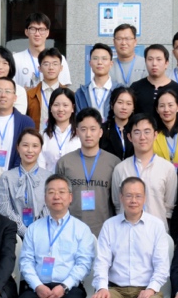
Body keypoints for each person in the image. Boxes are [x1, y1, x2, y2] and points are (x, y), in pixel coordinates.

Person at [53, 108, 117, 236]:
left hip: (104, 232)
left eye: (93, 129)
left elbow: (117, 203)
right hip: (70, 231)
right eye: (83, 129)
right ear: (77, 132)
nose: (88, 134)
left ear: (100, 132)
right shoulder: (64, 163)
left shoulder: (114, 163)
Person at [112, 113, 178, 223]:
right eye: (137, 132)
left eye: (147, 132)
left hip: (157, 230)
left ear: (155, 135)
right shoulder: (120, 168)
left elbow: (169, 208)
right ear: (129, 137)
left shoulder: (167, 168)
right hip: (126, 230)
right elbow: (118, 205)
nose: (142, 137)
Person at [0, 129, 51, 236]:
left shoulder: (49, 177)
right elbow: (3, 208)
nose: (30, 150)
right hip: (12, 234)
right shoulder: (6, 177)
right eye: (25, 145)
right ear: (18, 147)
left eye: (35, 146)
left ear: (40, 148)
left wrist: (36, 230)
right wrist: (23, 230)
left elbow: (49, 207)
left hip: (42, 234)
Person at [0, 77, 37, 170]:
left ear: (15, 97)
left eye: (8, 91)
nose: (3, 95)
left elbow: (28, 151)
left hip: (16, 175)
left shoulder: (26, 122)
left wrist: (12, 174)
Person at [14, 13, 72, 88]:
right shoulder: (16, 59)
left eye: (41, 30)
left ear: (47, 32)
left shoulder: (59, 59)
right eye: (33, 29)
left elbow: (64, 89)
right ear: (26, 32)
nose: (37, 34)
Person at [131, 44, 178, 116]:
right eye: (150, 59)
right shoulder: (135, 87)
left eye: (159, 59)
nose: (154, 63)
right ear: (145, 62)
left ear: (166, 63)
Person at [24, 48, 71, 129]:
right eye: (46, 64)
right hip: (37, 135)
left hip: (62, 135)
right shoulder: (29, 95)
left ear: (61, 68)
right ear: (39, 68)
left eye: (55, 64)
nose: (51, 67)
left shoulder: (69, 95)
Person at [40, 88, 80, 170]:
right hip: (48, 177)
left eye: (65, 105)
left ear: (73, 108)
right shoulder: (43, 135)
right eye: (56, 105)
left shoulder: (80, 134)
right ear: (50, 108)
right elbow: (41, 165)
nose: (60, 109)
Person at [75, 42, 115, 120]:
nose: (99, 62)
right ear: (90, 63)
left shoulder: (119, 91)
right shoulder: (80, 93)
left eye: (104, 59)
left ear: (111, 63)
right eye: (95, 58)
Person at [100, 87, 135, 159]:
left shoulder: (137, 130)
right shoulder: (102, 130)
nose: (124, 107)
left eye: (128, 104)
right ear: (112, 105)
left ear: (133, 108)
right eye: (120, 102)